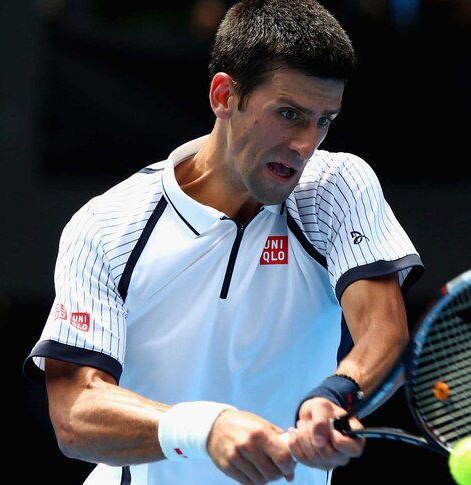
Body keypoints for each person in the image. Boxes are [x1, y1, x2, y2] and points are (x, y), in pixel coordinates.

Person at [23, 1, 424, 483]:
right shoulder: (108, 226)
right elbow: (74, 412)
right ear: (224, 95)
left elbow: (385, 333)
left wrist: (336, 394)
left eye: (324, 120)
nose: (305, 144)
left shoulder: (336, 187)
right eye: (289, 113)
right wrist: (204, 427)